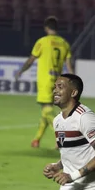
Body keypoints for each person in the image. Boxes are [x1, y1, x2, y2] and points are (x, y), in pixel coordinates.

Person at [15, 16, 74, 149]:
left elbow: (31, 60)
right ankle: (36, 140)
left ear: (46, 28)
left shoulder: (42, 42)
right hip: (59, 82)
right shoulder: (64, 43)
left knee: (47, 110)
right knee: (45, 113)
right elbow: (69, 64)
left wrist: (21, 71)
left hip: (46, 81)